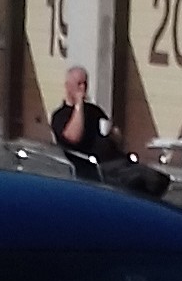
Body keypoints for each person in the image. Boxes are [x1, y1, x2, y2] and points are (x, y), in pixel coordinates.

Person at [50, 66, 168, 195]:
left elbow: (115, 136)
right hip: (96, 166)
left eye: (85, 83)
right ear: (68, 86)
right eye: (79, 84)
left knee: (159, 179)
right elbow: (73, 137)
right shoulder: (60, 115)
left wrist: (113, 133)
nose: (83, 88)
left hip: (118, 161)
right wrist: (79, 104)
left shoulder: (94, 110)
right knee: (136, 182)